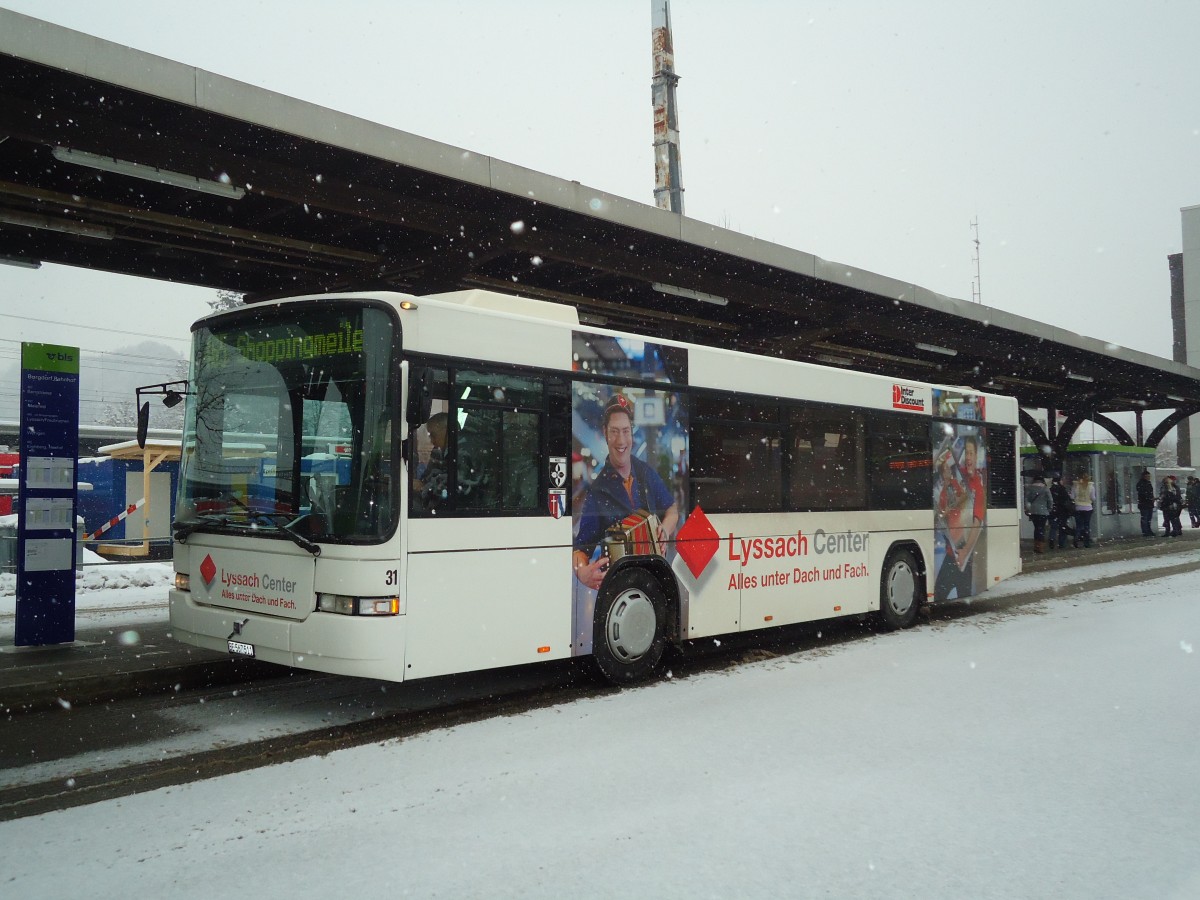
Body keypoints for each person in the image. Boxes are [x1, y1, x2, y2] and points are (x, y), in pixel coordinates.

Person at [573, 394, 679, 590]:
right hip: (620, 591)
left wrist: (664, 529)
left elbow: (672, 509)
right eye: (614, 431)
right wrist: (581, 572)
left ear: (631, 433)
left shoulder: (646, 474)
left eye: (625, 431)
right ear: (605, 433)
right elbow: (580, 550)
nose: (621, 440)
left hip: (655, 583)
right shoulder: (598, 492)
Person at [934, 433, 986, 600]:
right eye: (966, 453)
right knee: (939, 594)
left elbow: (977, 523)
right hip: (952, 554)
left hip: (964, 557)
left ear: (976, 456)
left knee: (963, 597)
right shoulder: (957, 478)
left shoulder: (978, 486)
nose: (968, 457)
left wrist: (964, 553)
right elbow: (943, 510)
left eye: (971, 453)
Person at [411, 411, 448, 511]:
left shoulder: (461, 454)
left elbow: (455, 489)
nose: (431, 441)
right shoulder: (438, 453)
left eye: (433, 435)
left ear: (446, 431)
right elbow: (427, 477)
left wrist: (423, 487)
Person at [1024, 474, 1051, 553]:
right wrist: (1049, 509)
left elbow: (1027, 500)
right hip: (1043, 512)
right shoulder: (1046, 489)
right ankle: (1041, 547)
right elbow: (1050, 500)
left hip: (1033, 511)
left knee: (1036, 528)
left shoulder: (1030, 488)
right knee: (1041, 528)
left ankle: (1036, 546)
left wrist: (1028, 509)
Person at [1049, 475, 1074, 549]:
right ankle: (1061, 543)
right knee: (1062, 527)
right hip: (1062, 511)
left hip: (1053, 511)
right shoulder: (1062, 489)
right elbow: (1067, 500)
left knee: (1053, 527)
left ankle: (1052, 539)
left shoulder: (1050, 490)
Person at [1071, 473, 1095, 548]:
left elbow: (1072, 496)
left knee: (1078, 525)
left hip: (1078, 507)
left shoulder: (1075, 486)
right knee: (1086, 525)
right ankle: (1086, 543)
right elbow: (1093, 498)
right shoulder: (1091, 486)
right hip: (1088, 508)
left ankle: (1076, 539)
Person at [1136, 469, 1156, 537]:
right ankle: (1145, 531)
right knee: (1145, 518)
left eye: (1149, 476)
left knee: (1148, 518)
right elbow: (1142, 493)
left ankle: (1148, 530)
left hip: (1149, 503)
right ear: (1144, 476)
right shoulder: (1141, 483)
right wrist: (1149, 498)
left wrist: (1152, 498)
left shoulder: (1148, 483)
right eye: (1147, 476)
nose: (1148, 477)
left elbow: (1150, 492)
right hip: (1144, 503)